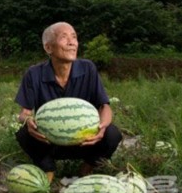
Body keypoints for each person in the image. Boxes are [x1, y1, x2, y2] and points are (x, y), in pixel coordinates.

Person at [14, 22, 122, 183]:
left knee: (112, 134)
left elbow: (104, 106)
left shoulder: (88, 68)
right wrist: (28, 121)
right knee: (23, 133)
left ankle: (87, 167)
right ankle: (47, 168)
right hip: (50, 141)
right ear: (48, 48)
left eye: (74, 37)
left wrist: (102, 127)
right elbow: (24, 113)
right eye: (64, 38)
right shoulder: (34, 74)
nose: (72, 42)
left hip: (85, 141)